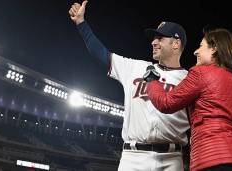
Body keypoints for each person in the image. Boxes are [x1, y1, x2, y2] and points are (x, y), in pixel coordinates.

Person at [68, 1, 190, 170]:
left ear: (176, 44)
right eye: (153, 38)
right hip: (133, 158)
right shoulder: (135, 67)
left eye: (160, 38)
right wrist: (81, 24)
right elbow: (101, 54)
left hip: (172, 159)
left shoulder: (190, 80)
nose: (153, 42)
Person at [145, 27, 232, 171]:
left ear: (214, 49)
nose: (195, 51)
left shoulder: (200, 73)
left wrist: (151, 80)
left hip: (212, 160)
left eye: (200, 46)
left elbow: (166, 103)